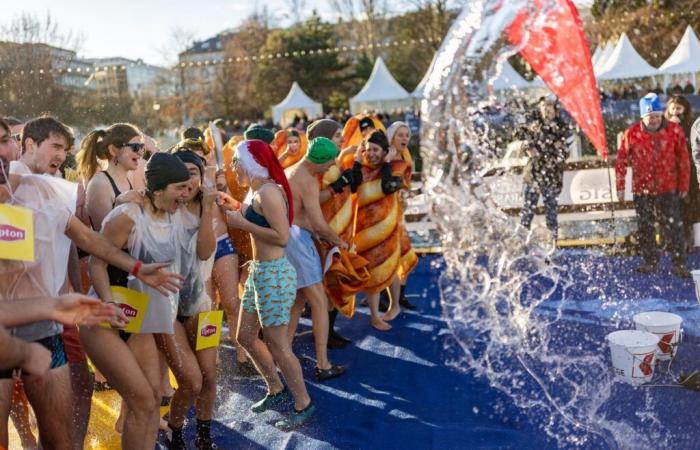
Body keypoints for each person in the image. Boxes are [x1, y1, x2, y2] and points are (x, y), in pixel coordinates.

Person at [0, 117, 183, 450]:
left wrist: (138, 267)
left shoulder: (46, 188)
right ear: (27, 144)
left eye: (65, 150)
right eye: (55, 146)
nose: (61, 156)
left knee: (63, 425)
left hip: (44, 322)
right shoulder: (14, 181)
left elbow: (85, 238)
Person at [80, 152, 191, 450]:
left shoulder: (173, 212)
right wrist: (107, 303)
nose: (186, 193)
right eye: (180, 187)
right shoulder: (128, 215)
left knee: (153, 400)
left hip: (139, 320)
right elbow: (97, 263)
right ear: (158, 189)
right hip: (105, 319)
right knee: (142, 400)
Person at [223, 139, 315, 430]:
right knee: (246, 336)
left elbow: (283, 237)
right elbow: (257, 219)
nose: (232, 167)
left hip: (274, 275)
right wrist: (236, 207)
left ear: (250, 163)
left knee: (277, 345)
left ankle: (304, 402)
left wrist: (241, 224)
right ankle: (275, 388)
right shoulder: (255, 191)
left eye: (236, 162)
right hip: (260, 271)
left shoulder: (269, 193)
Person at [163, 150, 219, 449]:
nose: (187, 179)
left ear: (201, 177)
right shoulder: (162, 207)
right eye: (181, 172)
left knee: (209, 377)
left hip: (202, 306)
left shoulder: (208, 208)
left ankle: (204, 437)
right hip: (168, 311)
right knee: (191, 380)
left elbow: (205, 252)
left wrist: (208, 210)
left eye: (193, 173)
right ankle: (174, 431)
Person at [285, 137, 348, 381]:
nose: (331, 168)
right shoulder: (308, 179)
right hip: (297, 241)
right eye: (330, 163)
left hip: (291, 238)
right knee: (320, 301)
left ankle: (285, 352)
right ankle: (322, 364)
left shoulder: (293, 171)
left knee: (298, 300)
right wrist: (338, 241)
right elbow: (318, 222)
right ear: (319, 161)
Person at [616, 93, 690, 278]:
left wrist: (683, 185)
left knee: (674, 226)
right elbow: (621, 161)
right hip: (643, 188)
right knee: (645, 226)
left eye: (657, 115)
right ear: (643, 117)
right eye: (651, 117)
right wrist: (620, 185)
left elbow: (683, 159)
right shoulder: (631, 133)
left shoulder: (674, 130)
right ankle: (650, 261)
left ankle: (679, 263)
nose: (655, 120)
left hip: (668, 187)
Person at [352, 131, 410, 331]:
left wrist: (386, 164)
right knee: (372, 272)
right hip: (365, 232)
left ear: (384, 151)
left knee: (391, 267)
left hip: (387, 229)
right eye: (368, 149)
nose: (371, 153)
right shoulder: (360, 170)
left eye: (375, 150)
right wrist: (358, 161)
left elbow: (390, 187)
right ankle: (375, 316)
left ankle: (395, 305)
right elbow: (351, 185)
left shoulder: (390, 169)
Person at [307, 119, 354, 347]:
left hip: (339, 230)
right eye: (337, 135)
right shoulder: (317, 167)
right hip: (324, 231)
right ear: (324, 137)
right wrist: (337, 187)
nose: (342, 139)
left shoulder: (334, 163)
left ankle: (330, 331)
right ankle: (324, 338)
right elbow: (314, 199)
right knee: (327, 284)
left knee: (335, 282)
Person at [519, 96, 571, 240]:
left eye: (548, 106)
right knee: (527, 212)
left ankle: (553, 245)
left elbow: (565, 152)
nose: (546, 109)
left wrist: (552, 152)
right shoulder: (533, 126)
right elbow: (520, 140)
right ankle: (521, 243)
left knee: (551, 216)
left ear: (554, 108)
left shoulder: (562, 127)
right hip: (533, 175)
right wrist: (528, 147)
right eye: (542, 106)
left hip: (552, 177)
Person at [382, 122, 419, 311]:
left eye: (407, 135)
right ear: (392, 137)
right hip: (382, 213)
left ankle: (400, 295)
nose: (404, 138)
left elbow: (406, 183)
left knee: (404, 253)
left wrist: (407, 195)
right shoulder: (384, 156)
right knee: (386, 255)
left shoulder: (406, 156)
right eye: (400, 135)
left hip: (399, 210)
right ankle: (383, 296)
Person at [668, 96, 700, 248]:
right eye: (673, 108)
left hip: (691, 173)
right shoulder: (665, 126)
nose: (676, 111)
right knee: (675, 209)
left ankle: (693, 240)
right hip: (672, 175)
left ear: (685, 109)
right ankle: (678, 241)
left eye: (679, 108)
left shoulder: (690, 125)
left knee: (691, 207)